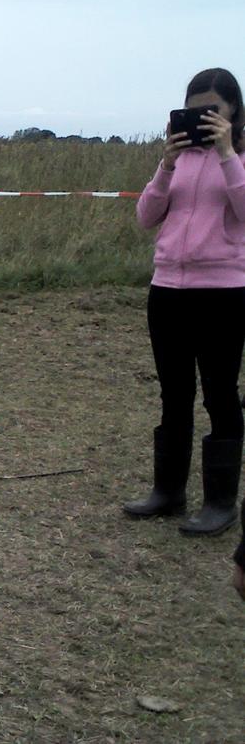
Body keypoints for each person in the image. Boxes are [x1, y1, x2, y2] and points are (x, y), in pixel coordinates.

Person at [125, 68, 245, 546]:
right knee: (173, 394)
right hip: (168, 289)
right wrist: (166, 164)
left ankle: (220, 503)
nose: (203, 118)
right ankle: (168, 490)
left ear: (233, 111)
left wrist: (226, 154)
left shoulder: (236, 156)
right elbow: (145, 217)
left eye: (212, 109)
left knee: (219, 394)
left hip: (225, 292)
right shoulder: (180, 158)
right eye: (195, 109)